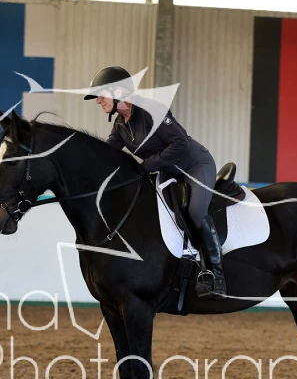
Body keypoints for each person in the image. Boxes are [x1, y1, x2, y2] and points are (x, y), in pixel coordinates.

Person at [84, 65, 226, 299]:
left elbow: (179, 144)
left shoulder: (151, 110)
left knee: (196, 210)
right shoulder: (120, 125)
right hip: (167, 172)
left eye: (101, 95)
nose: (98, 101)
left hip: (194, 166)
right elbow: (108, 156)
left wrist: (147, 165)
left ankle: (215, 274)